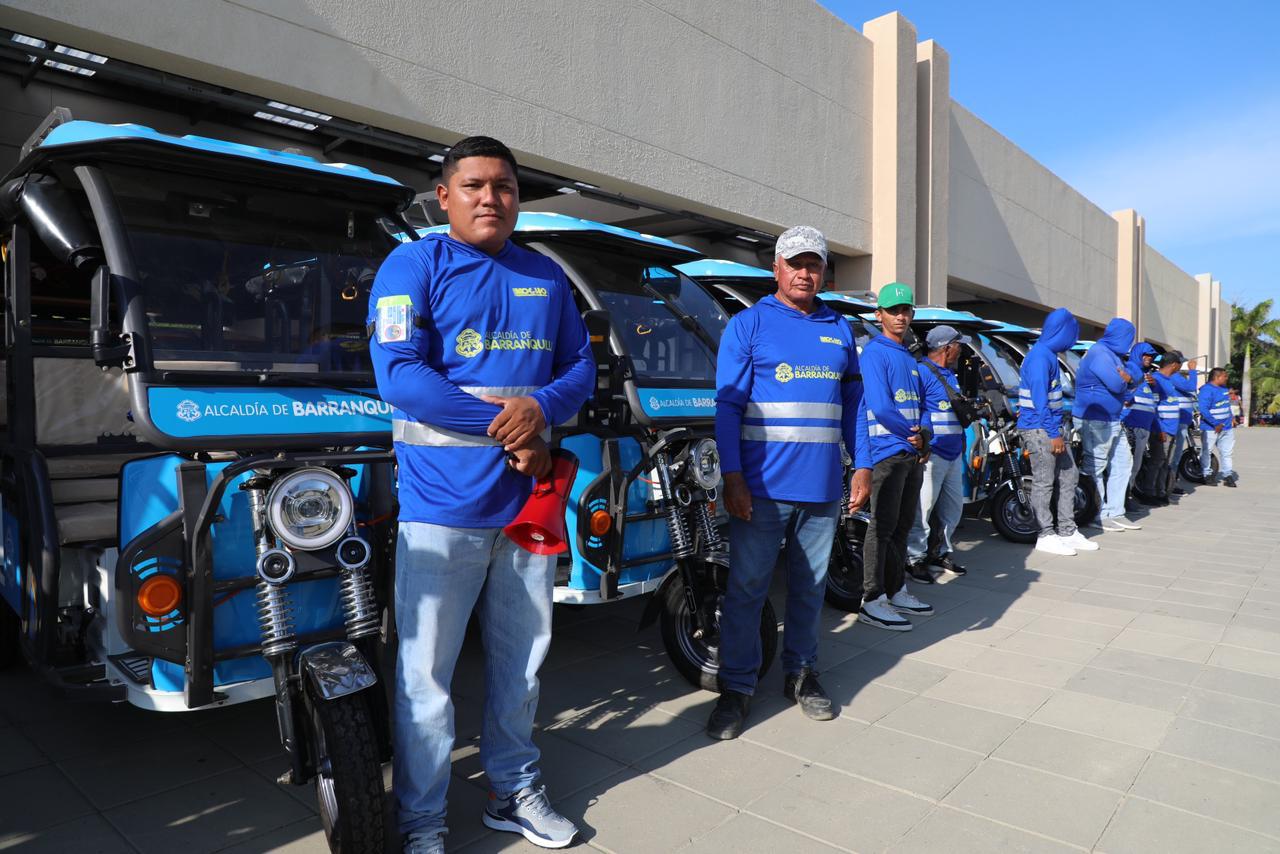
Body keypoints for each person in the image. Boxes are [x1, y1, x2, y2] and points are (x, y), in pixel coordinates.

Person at [369, 136, 594, 853]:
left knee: (520, 667)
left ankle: (511, 791)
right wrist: (511, 426)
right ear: (444, 196)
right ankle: (421, 820)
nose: (490, 198)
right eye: (474, 186)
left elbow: (579, 369)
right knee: (426, 679)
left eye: (504, 187)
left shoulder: (545, 275)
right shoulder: (413, 265)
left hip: (528, 510)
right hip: (441, 510)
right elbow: (400, 374)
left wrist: (543, 409)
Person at [707, 226, 869, 740]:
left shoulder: (839, 328)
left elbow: (853, 404)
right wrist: (732, 476)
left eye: (813, 264)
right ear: (776, 268)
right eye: (795, 263)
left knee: (809, 589)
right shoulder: (748, 325)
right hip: (759, 490)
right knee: (746, 590)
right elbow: (727, 407)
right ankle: (736, 687)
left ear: (823, 272)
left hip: (821, 491)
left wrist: (863, 464)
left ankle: (801, 674)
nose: (804, 273)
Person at [855, 283, 934, 631]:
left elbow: (923, 403)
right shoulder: (875, 354)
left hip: (910, 453)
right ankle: (872, 599)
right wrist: (912, 435)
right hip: (886, 453)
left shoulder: (909, 357)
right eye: (893, 311)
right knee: (882, 528)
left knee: (902, 527)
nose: (900, 316)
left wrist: (924, 435)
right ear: (879, 315)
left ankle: (896, 589)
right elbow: (881, 406)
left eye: (905, 310)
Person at [1016, 308, 1096, 556]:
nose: (1073, 339)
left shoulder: (1048, 355)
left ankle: (1067, 531)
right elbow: (1039, 399)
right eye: (1072, 334)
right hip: (1040, 429)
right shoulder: (1040, 357)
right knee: (1044, 481)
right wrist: (1053, 433)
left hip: (1050, 427)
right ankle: (1045, 534)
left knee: (1069, 475)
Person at [905, 325, 969, 582]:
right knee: (923, 509)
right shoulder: (921, 372)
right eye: (958, 345)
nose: (960, 350)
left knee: (952, 509)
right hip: (933, 454)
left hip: (953, 454)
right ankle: (914, 559)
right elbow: (918, 409)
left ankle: (939, 552)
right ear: (946, 348)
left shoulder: (951, 375)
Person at [1073, 318, 1141, 532]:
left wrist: (1127, 378)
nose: (1130, 343)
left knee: (1123, 462)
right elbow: (1117, 384)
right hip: (1095, 419)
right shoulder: (1100, 353)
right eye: (1129, 338)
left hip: (1112, 419)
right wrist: (1126, 379)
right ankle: (1095, 513)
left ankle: (1115, 511)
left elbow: (1132, 379)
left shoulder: (1113, 355)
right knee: (1096, 466)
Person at [1148, 350, 1197, 504]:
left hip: (1171, 429)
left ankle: (1161, 492)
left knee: (1165, 463)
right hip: (1163, 429)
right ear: (1174, 365)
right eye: (1180, 364)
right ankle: (1150, 493)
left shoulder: (1168, 380)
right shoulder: (1156, 380)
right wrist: (1160, 429)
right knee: (1157, 462)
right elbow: (1153, 407)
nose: (1181, 366)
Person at [1122, 342, 1159, 510]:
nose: (1149, 358)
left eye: (1152, 356)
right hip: (1131, 424)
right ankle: (1122, 499)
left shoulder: (1148, 376)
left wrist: (1154, 385)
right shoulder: (1130, 369)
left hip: (1144, 426)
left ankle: (1126, 495)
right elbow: (1123, 390)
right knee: (1127, 464)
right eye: (1146, 355)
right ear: (1138, 354)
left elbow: (1153, 403)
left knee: (1135, 465)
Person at [1198, 367, 1238, 486]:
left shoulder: (1224, 389)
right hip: (1211, 428)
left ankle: (1227, 475)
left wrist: (1232, 417)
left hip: (1226, 427)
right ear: (1217, 377)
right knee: (1207, 451)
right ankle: (1206, 474)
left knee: (1227, 452)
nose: (1227, 378)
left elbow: (1226, 405)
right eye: (1224, 376)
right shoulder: (1206, 390)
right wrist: (1215, 423)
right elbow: (1203, 409)